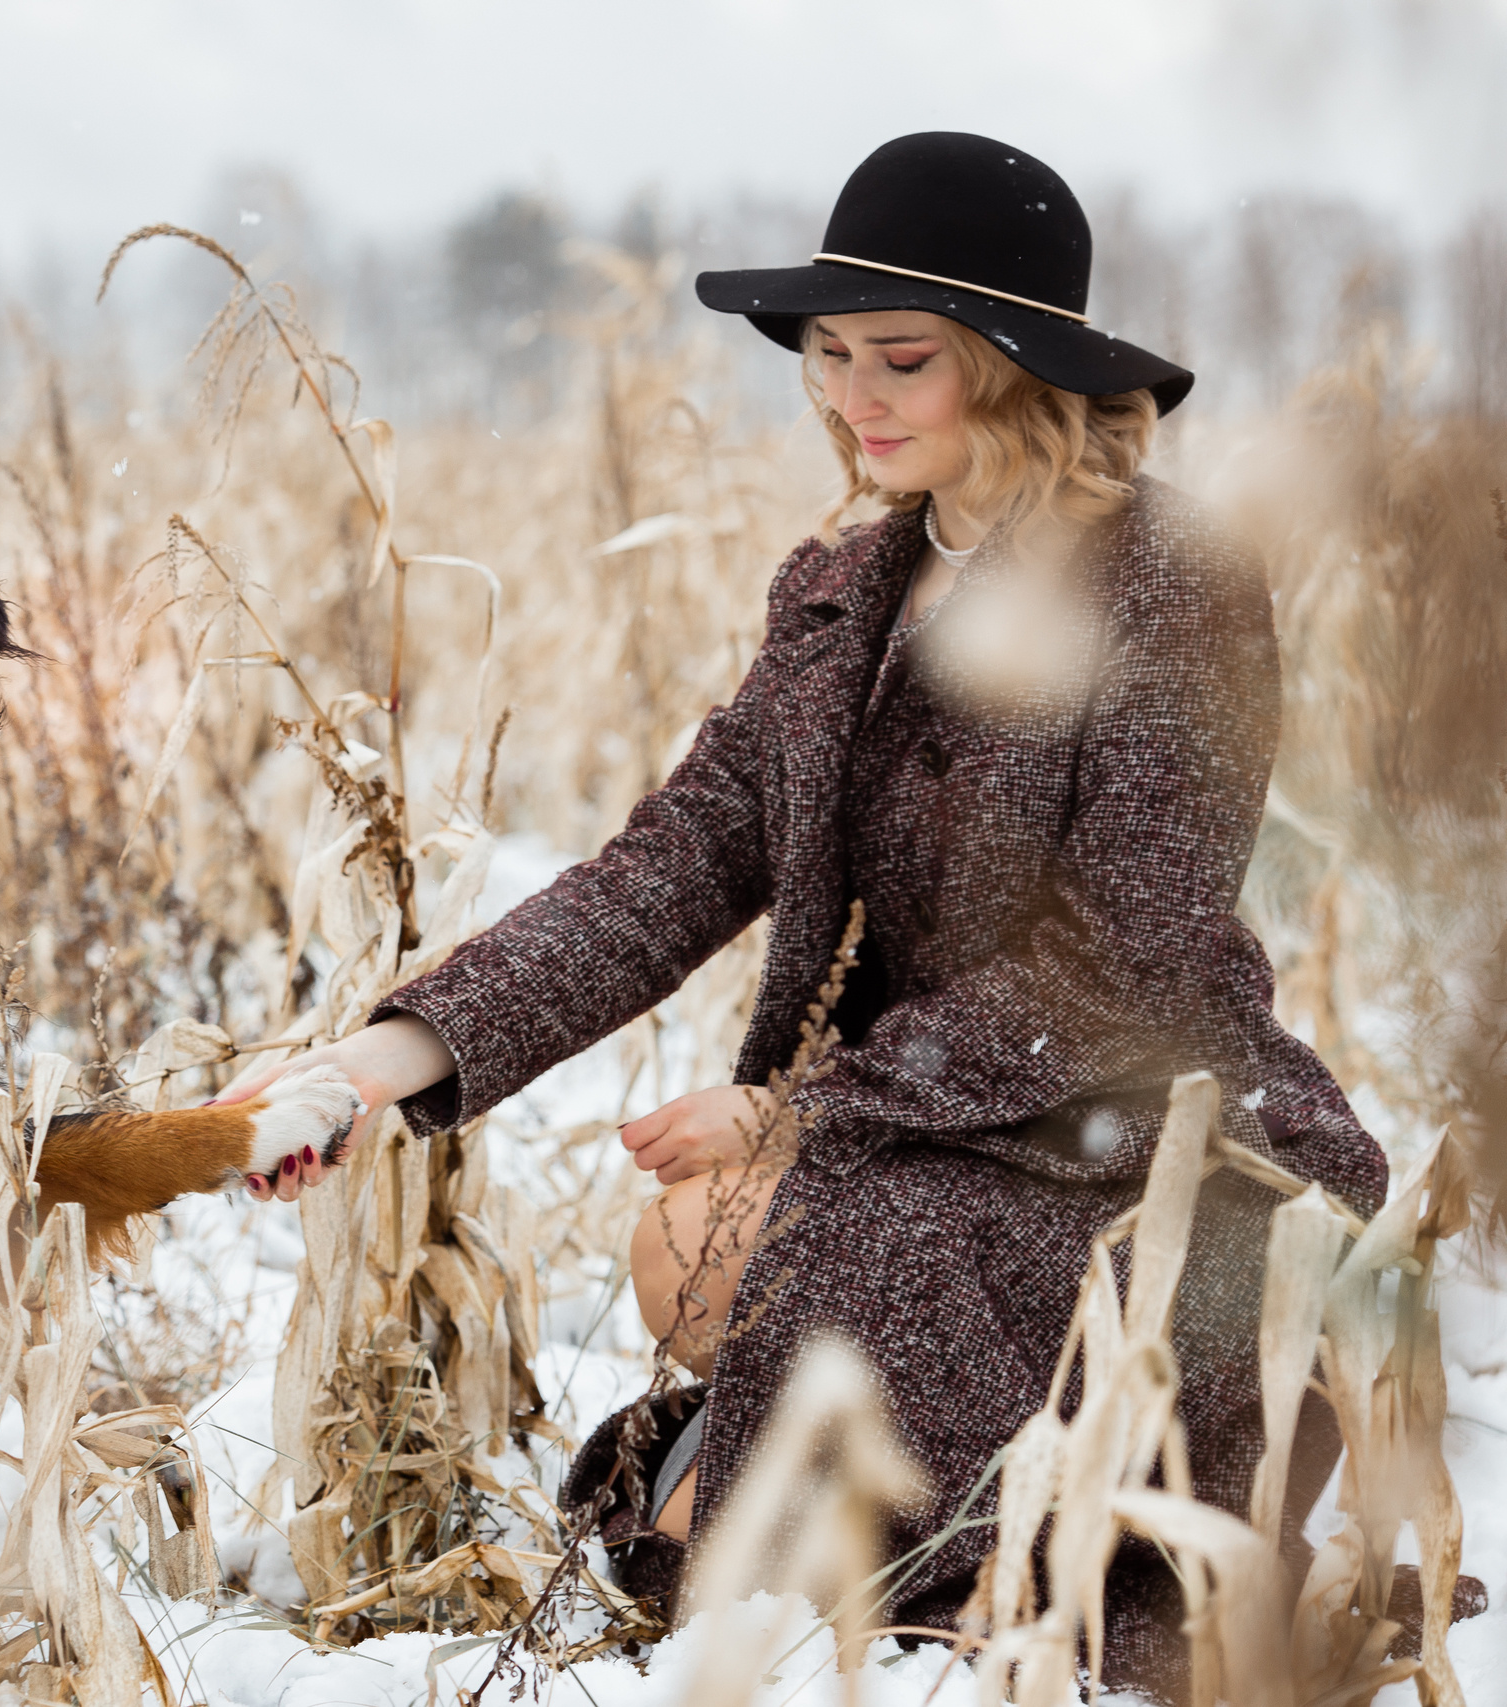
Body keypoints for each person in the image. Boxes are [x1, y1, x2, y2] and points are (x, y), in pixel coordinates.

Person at [215, 133, 1463, 1694]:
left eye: (902, 358)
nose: (850, 395)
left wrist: (802, 1111)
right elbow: (673, 863)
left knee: (821, 1277)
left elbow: (1124, 953)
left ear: (1018, 367)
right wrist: (384, 1062)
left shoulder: (1170, 581)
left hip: (1155, 1138)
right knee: (696, 1252)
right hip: (913, 1134)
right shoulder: (841, 590)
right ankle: (864, 1518)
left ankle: (1074, 1553)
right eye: (825, 352)